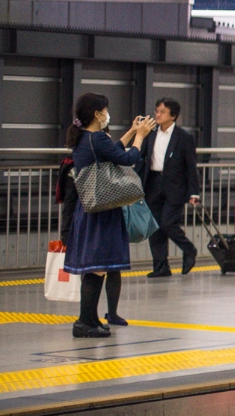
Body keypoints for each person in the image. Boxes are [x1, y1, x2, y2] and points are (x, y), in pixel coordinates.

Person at [64, 93, 154, 337]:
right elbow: (127, 158)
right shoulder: (96, 138)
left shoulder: (86, 138)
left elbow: (111, 150)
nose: (107, 114)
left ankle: (91, 320)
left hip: (92, 210)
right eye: (105, 110)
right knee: (97, 268)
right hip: (102, 212)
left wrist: (129, 133)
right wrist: (140, 137)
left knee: (96, 267)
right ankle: (84, 322)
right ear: (97, 114)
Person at [139, 97, 200, 276]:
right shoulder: (150, 134)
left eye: (162, 112)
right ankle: (161, 266)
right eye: (157, 111)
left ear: (173, 116)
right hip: (153, 183)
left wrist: (194, 192)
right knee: (155, 227)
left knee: (168, 223)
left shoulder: (184, 137)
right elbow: (142, 159)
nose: (157, 115)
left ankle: (189, 249)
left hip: (175, 186)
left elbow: (191, 166)